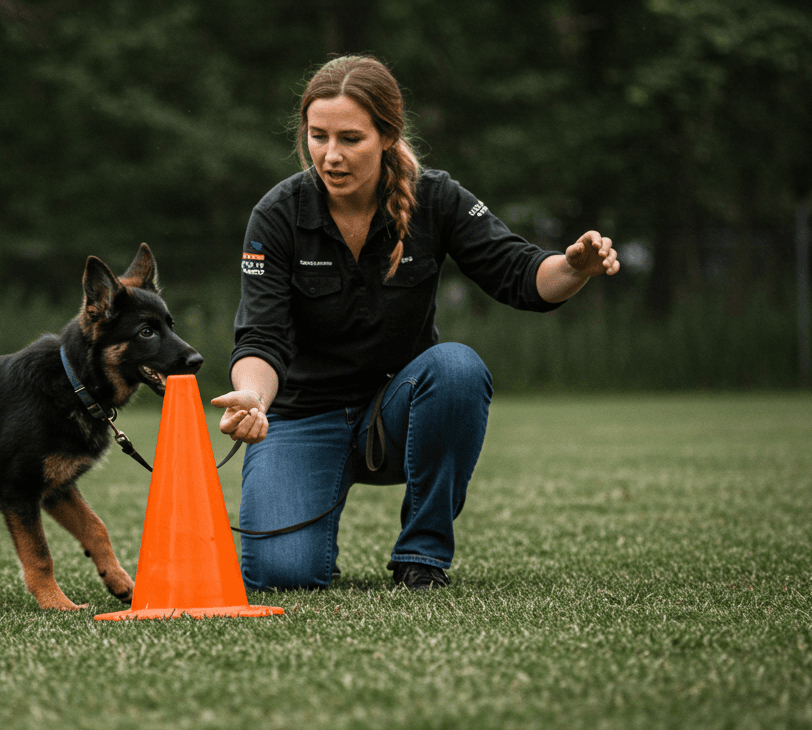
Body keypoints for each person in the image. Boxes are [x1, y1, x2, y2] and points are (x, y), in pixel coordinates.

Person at [210, 55, 619, 591]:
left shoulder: (438, 198)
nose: (330, 156)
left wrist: (573, 267)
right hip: (302, 417)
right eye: (318, 136)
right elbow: (261, 335)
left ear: (386, 135)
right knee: (281, 575)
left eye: (350, 138)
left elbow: (520, 275)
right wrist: (254, 400)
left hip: (393, 418)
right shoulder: (277, 214)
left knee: (457, 368)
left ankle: (422, 555)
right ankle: (310, 521)